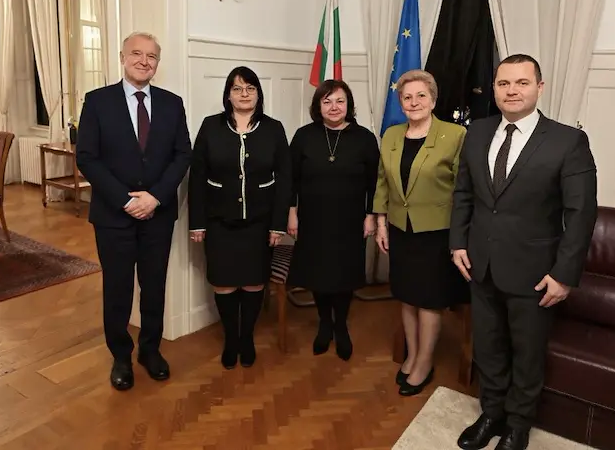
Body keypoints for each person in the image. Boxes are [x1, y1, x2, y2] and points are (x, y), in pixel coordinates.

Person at [450, 54, 598, 450]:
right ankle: (491, 413)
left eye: (521, 82)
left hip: (535, 273)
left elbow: (581, 213)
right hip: (480, 265)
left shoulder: (568, 141)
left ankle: (518, 424)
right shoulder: (477, 132)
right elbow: (464, 192)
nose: (512, 90)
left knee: (527, 354)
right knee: (488, 348)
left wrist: (564, 274)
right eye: (503, 83)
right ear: (494, 89)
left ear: (539, 87)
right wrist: (458, 242)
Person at [76, 31, 192, 391]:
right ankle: (121, 357)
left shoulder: (172, 103)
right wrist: (126, 200)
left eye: (151, 56)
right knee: (118, 289)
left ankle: (150, 351)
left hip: (158, 214)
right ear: (123, 57)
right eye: (137, 54)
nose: (144, 61)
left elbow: (182, 155)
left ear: (158, 63)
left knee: (154, 286)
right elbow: (87, 158)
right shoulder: (97, 101)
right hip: (113, 216)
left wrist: (154, 197)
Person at [188, 66, 291, 370]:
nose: (244, 94)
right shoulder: (211, 126)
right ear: (228, 95)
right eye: (237, 88)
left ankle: (247, 338)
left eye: (250, 88)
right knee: (224, 283)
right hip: (219, 221)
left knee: (254, 283)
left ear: (258, 94)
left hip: (260, 223)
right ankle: (231, 338)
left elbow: (285, 179)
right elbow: (197, 176)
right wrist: (197, 222)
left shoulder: (273, 128)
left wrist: (278, 224)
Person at [374, 69, 467, 397]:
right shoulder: (391, 135)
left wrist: (462, 236)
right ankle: (412, 355)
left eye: (420, 96)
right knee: (407, 296)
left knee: (428, 300)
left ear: (433, 100)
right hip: (400, 229)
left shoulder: (455, 135)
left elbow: (463, 189)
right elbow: (382, 181)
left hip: (436, 232)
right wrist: (381, 223)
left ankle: (425, 362)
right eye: (407, 97)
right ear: (400, 102)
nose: (413, 102)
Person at [287, 80, 379, 361]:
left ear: (349, 104)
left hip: (350, 221)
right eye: (327, 102)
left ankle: (341, 326)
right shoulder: (304, 136)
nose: (334, 107)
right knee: (318, 275)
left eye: (340, 101)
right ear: (318, 106)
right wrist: (292, 213)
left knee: (344, 276)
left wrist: (371, 216)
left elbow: (375, 182)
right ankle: (325, 323)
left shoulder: (364, 138)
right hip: (312, 220)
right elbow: (291, 179)